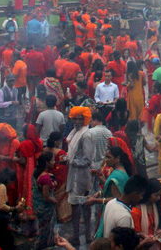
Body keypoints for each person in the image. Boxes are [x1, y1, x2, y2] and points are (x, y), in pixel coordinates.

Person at [65, 106, 95, 247]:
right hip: (74, 174)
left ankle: (84, 235)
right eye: (74, 118)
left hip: (81, 176)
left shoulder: (86, 135)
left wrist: (71, 161)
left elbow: (88, 160)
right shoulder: (74, 132)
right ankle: (78, 235)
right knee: (77, 205)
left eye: (79, 119)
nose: (76, 121)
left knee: (82, 205)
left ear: (85, 119)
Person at [92, 145, 134, 237]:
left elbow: (116, 199)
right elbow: (113, 189)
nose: (105, 160)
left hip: (113, 213)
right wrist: (100, 191)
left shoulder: (116, 176)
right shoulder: (121, 172)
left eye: (108, 157)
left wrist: (95, 201)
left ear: (117, 158)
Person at [99, 175, 148, 239]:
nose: (141, 198)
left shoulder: (111, 203)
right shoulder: (124, 217)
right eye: (141, 195)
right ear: (134, 194)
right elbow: (124, 245)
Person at [32, 151, 58, 250]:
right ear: (46, 162)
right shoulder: (46, 177)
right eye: (52, 160)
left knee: (42, 227)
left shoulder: (36, 171)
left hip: (37, 205)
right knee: (45, 230)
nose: (54, 162)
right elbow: (46, 196)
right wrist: (55, 201)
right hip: (45, 208)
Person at [45, 131, 71, 222]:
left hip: (47, 176)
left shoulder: (44, 150)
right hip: (59, 178)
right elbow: (65, 165)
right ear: (57, 141)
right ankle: (62, 216)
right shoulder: (61, 153)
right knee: (62, 197)